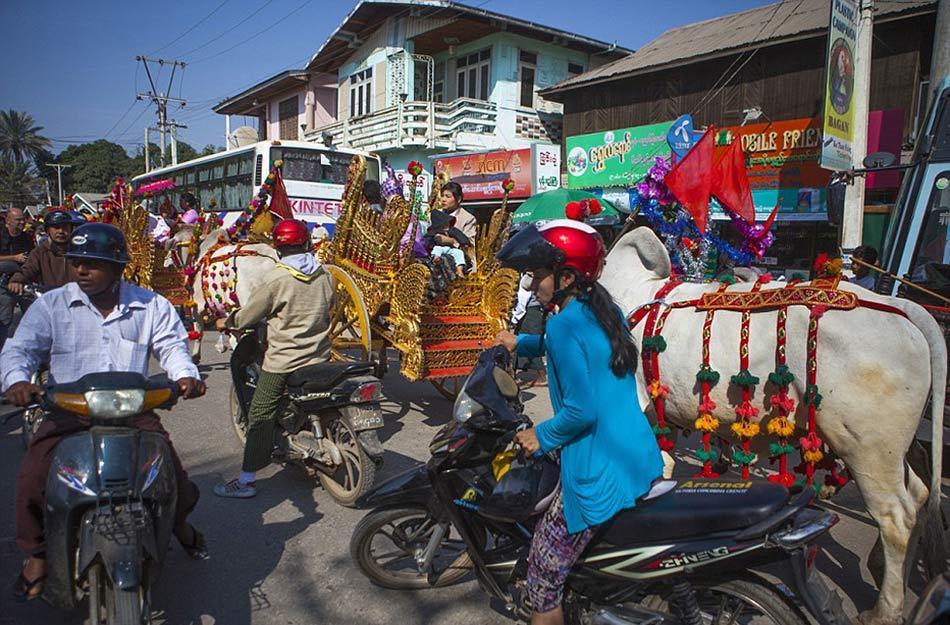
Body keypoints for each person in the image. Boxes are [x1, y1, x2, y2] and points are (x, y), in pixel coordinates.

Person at [2, 223, 208, 600]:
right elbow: (20, 349)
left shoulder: (151, 305)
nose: (81, 270)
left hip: (133, 411)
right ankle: (36, 555)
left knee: (174, 481)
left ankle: (177, 523)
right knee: (32, 479)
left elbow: (173, 348)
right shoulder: (52, 304)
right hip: (68, 411)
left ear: (118, 267)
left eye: (93, 264)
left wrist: (185, 377)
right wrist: (17, 381)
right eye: (78, 262)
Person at [493, 219, 663, 625]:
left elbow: (580, 412)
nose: (532, 286)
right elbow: (577, 346)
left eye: (537, 276)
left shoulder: (565, 323)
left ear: (566, 276)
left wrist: (540, 435)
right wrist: (522, 342)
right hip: (636, 455)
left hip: (595, 471)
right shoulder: (602, 309)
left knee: (542, 579)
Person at [213, 219, 335, 498]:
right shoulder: (325, 274)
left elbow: (248, 316)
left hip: (284, 361)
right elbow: (332, 306)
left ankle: (245, 482)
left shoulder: (277, 278)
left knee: (259, 413)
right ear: (306, 243)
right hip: (320, 356)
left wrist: (226, 322)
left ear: (278, 248)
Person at [7, 210, 84, 294]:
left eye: (65, 227)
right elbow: (28, 269)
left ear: (71, 229)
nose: (61, 231)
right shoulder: (40, 252)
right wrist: (17, 280)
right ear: (47, 230)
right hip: (50, 300)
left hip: (78, 299)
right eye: (56, 227)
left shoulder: (80, 251)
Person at [0, 207, 36, 345]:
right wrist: (14, 258)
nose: (22, 223)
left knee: (33, 316)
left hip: (24, 282)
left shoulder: (26, 238)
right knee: (5, 320)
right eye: (18, 220)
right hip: (4, 285)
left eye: (23, 219)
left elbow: (33, 258)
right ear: (8, 221)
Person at [510, 273, 546, 387]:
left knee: (529, 342)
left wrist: (515, 317)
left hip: (528, 313)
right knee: (518, 341)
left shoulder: (528, 277)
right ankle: (512, 374)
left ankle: (542, 375)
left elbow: (523, 300)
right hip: (533, 312)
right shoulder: (533, 275)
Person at [424, 209, 470, 278]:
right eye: (445, 223)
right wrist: (431, 244)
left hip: (450, 249)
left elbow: (460, 236)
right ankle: (436, 258)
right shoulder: (433, 232)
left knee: (459, 252)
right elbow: (427, 240)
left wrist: (464, 243)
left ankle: (459, 269)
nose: (447, 224)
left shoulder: (451, 230)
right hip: (438, 248)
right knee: (437, 249)